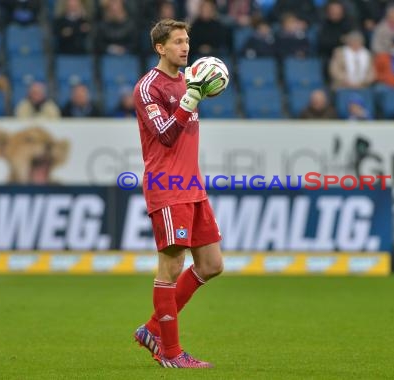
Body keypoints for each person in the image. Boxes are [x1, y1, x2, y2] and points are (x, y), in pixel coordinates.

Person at [131, 18, 225, 369]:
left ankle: (153, 329)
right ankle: (170, 353)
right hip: (166, 186)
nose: (185, 47)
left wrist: (197, 90)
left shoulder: (189, 81)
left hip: (192, 185)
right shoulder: (148, 88)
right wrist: (190, 98)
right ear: (160, 48)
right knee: (170, 267)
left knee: (212, 264)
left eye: (187, 41)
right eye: (178, 42)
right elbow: (166, 136)